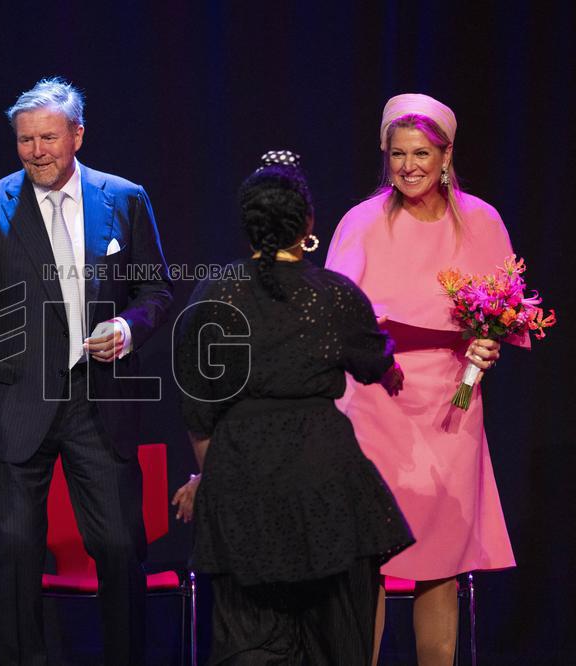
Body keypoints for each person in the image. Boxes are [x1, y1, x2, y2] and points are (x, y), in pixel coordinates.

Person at [0, 77, 173, 665]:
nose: (36, 151)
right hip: (19, 396)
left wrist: (130, 328)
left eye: (48, 137)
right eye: (25, 140)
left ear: (77, 135)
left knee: (117, 545)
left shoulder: (125, 198)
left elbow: (156, 289)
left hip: (97, 399)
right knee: (15, 550)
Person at [171, 151, 414, 665]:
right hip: (324, 474)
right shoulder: (335, 296)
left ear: (248, 223)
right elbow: (375, 359)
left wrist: (211, 478)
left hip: (242, 475)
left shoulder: (215, 293)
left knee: (249, 636)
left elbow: (198, 409)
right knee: (334, 634)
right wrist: (388, 367)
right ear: (307, 221)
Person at [325, 93, 526, 666]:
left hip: (450, 410)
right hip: (375, 405)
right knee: (373, 561)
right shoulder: (361, 222)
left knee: (440, 563)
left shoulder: (483, 220)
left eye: (420, 154)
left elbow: (505, 312)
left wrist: (488, 344)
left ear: (446, 155)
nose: (409, 166)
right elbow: (335, 317)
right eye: (397, 154)